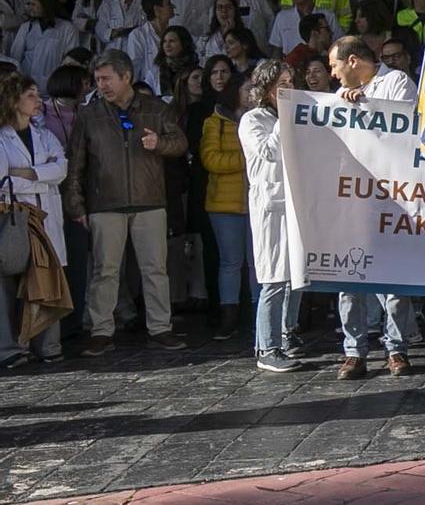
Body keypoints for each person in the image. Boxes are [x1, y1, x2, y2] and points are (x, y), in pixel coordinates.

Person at [65, 50, 189, 353]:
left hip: (149, 200)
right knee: (105, 271)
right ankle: (101, 330)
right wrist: (76, 205)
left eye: (107, 79)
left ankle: (160, 327)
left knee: (155, 269)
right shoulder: (89, 114)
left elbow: (181, 143)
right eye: (97, 79)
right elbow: (76, 162)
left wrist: (159, 143)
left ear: (126, 77)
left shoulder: (155, 108)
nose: (101, 85)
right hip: (105, 202)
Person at [328, 36, 418, 378]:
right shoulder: (338, 96)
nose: (333, 74)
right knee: (349, 275)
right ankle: (354, 351)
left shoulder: (395, 81)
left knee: (392, 275)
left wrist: (364, 103)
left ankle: (396, 348)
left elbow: (404, 126)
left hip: (392, 196)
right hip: (351, 196)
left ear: (353, 61)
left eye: (336, 65)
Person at [237, 58, 305, 372]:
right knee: (274, 278)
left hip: (296, 203)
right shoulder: (253, 120)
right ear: (266, 89)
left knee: (296, 276)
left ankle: (286, 334)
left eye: (291, 82)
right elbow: (268, 152)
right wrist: (285, 119)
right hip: (271, 206)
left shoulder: (296, 116)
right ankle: (267, 347)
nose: (288, 89)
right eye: (282, 84)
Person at [0, 72, 67, 365]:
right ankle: (12, 348)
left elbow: (61, 168)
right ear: (14, 100)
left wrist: (30, 174)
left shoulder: (44, 134)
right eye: (30, 95)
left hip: (48, 218)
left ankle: (47, 346)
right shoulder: (2, 138)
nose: (37, 101)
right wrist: (43, 175)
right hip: (17, 220)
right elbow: (3, 181)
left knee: (46, 279)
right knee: (12, 284)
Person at [199, 71, 253, 341]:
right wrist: (249, 157)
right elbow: (211, 160)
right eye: (247, 89)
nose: (251, 93)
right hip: (224, 205)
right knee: (230, 263)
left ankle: (260, 316)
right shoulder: (214, 122)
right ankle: (228, 316)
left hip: (257, 203)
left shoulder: (263, 119)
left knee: (258, 264)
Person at [6, 0, 80, 86]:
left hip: (53, 87)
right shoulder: (27, 27)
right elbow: (16, 57)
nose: (30, 8)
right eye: (29, 4)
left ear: (46, 4)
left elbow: (71, 61)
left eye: (34, 4)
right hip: (27, 86)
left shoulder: (67, 28)